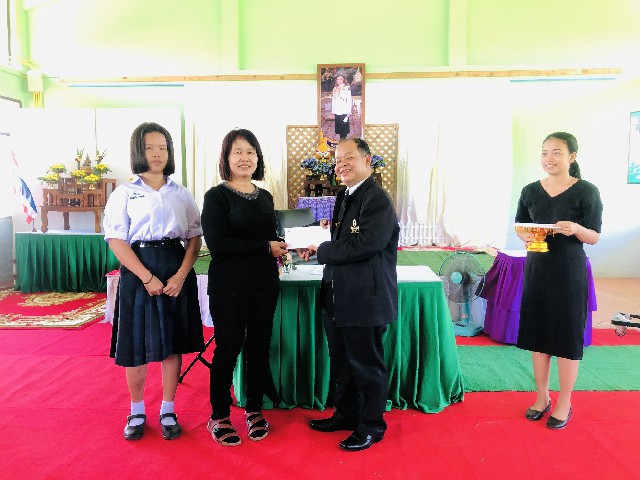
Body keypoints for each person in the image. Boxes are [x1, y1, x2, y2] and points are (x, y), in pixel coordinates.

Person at [103, 122, 205, 441]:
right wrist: (146, 277)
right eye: (150, 148)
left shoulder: (181, 193)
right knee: (136, 343)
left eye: (163, 148)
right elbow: (116, 241)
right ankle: (136, 411)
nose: (157, 154)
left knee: (172, 343)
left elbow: (194, 237)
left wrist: (181, 275)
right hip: (139, 270)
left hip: (175, 268)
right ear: (139, 151)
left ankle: (168, 409)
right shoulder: (124, 193)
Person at [302, 138, 399, 451]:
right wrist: (319, 244)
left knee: (367, 366)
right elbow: (342, 240)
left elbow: (367, 244)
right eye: (337, 160)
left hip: (365, 298)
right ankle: (345, 414)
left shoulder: (377, 199)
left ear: (367, 160)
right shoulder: (345, 194)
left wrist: (323, 250)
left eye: (349, 158)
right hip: (338, 294)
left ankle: (371, 425)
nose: (341, 165)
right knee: (342, 362)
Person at [201, 128, 288, 447]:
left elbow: (270, 236)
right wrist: (266, 247)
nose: (244, 158)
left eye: (250, 151)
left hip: (264, 284)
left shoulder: (265, 196)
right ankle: (219, 415)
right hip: (229, 286)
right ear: (226, 158)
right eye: (237, 151)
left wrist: (283, 245)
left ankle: (254, 409)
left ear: (258, 158)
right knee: (227, 350)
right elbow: (218, 245)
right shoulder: (216, 197)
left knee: (259, 349)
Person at [515, 131, 603, 430]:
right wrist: (525, 235)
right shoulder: (530, 190)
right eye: (544, 152)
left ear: (572, 156)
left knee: (566, 336)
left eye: (556, 152)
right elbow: (520, 225)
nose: (548, 158)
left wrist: (575, 228)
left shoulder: (587, 191)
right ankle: (542, 396)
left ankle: (565, 401)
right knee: (538, 335)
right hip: (537, 269)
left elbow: (594, 237)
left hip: (569, 272)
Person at [331, 75, 352, 140]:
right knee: (339, 126)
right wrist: (333, 110)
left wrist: (349, 111)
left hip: (344, 109)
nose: (339, 81)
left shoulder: (347, 88)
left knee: (344, 125)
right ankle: (341, 139)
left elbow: (349, 99)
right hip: (337, 110)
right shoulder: (335, 88)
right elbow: (333, 99)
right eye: (338, 79)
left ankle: (344, 139)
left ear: (343, 80)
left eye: (340, 79)